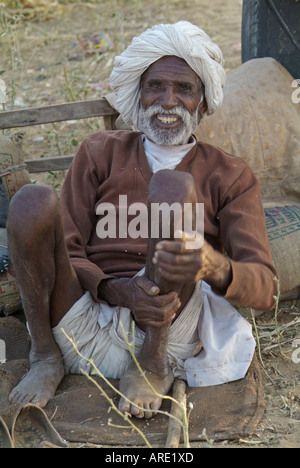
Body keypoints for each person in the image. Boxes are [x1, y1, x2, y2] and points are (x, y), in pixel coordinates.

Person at [7, 22, 277, 419]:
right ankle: (44, 356)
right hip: (83, 318)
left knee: (173, 187)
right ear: (138, 92)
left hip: (168, 331)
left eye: (184, 89)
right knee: (30, 201)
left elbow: (266, 289)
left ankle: (149, 366)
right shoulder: (99, 151)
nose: (168, 101)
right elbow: (67, 249)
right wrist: (117, 290)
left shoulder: (229, 174)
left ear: (202, 103)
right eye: (156, 86)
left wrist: (214, 264)